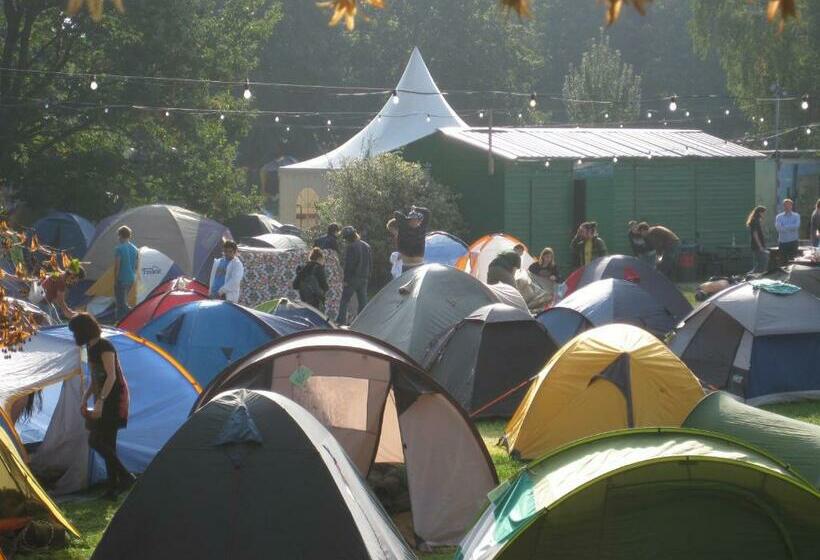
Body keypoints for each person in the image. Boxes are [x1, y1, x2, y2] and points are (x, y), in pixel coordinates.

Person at [69, 313, 134, 500]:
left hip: (115, 397)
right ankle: (113, 489)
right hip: (102, 396)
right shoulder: (90, 347)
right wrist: (85, 397)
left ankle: (126, 477)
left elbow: (111, 376)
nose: (74, 336)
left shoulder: (105, 346)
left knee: (96, 441)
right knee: (108, 444)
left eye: (75, 332)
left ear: (83, 330)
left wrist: (101, 401)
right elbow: (96, 377)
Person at [337, 226, 371, 325]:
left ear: (347, 238)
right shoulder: (366, 246)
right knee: (363, 302)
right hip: (364, 277)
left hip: (352, 278)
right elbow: (370, 262)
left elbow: (349, 265)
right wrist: (368, 274)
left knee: (344, 300)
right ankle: (362, 323)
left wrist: (346, 280)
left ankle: (341, 322)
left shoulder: (351, 247)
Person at [387, 206, 430, 273]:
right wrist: (406, 219)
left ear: (419, 221)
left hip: (419, 265)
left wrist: (416, 208)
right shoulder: (404, 229)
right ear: (408, 221)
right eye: (411, 220)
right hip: (406, 265)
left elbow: (427, 213)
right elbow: (396, 213)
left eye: (415, 220)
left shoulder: (422, 229)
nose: (414, 221)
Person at [113, 226, 139, 321]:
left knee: (120, 304)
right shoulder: (135, 249)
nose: (118, 238)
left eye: (118, 235)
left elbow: (117, 266)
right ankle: (125, 320)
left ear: (120, 235)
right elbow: (136, 265)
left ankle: (131, 317)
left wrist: (115, 279)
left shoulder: (119, 248)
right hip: (131, 278)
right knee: (124, 301)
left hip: (121, 278)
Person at [746, 206, 769, 274]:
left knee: (761, 262)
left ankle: (755, 274)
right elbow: (755, 234)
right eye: (763, 213)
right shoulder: (754, 221)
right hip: (757, 245)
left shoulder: (757, 220)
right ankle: (752, 275)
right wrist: (760, 246)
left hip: (759, 245)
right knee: (761, 263)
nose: (764, 214)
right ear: (759, 212)